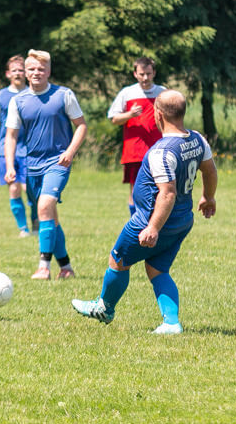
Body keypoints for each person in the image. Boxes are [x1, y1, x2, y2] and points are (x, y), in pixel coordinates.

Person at [72, 90, 218, 334]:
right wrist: (208, 196)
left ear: (157, 114)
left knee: (118, 259)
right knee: (157, 269)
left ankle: (104, 307)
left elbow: (167, 193)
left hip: (151, 220)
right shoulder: (197, 139)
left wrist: (152, 227)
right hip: (183, 219)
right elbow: (210, 170)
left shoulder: (162, 151)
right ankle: (171, 323)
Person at [5, 50, 87, 280]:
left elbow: (81, 126)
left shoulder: (63, 95)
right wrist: (11, 166)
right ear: (26, 73)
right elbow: (11, 136)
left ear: (49, 71)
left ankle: (43, 267)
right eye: (31, 69)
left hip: (58, 162)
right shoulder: (18, 101)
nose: (36, 72)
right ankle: (66, 267)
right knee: (50, 215)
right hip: (32, 166)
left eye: (41, 69)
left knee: (44, 206)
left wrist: (70, 152)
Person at [0, 55, 38, 237]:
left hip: (30, 149)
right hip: (6, 149)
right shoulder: (1, 96)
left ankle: (36, 222)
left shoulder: (34, 94)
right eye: (15, 70)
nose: (18, 73)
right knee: (13, 187)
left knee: (30, 188)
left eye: (21, 70)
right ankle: (24, 229)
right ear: (8, 74)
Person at [107, 56, 166, 215]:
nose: (145, 78)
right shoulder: (127, 93)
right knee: (136, 188)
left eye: (148, 73)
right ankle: (136, 223)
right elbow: (114, 119)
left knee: (161, 187)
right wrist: (130, 114)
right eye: (141, 74)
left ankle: (156, 222)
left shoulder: (162, 93)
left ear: (154, 73)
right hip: (134, 151)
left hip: (159, 150)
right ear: (135, 74)